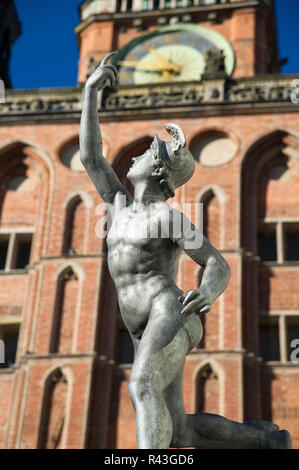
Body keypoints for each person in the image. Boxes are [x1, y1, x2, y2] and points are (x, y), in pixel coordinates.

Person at [79, 53, 292, 449]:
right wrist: (91, 93)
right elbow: (91, 156)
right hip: (140, 325)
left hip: (170, 311)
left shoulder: (169, 218)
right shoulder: (118, 205)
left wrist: (206, 292)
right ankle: (264, 442)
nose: (138, 155)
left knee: (142, 385)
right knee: (179, 428)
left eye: (147, 154)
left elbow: (216, 261)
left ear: (159, 171)